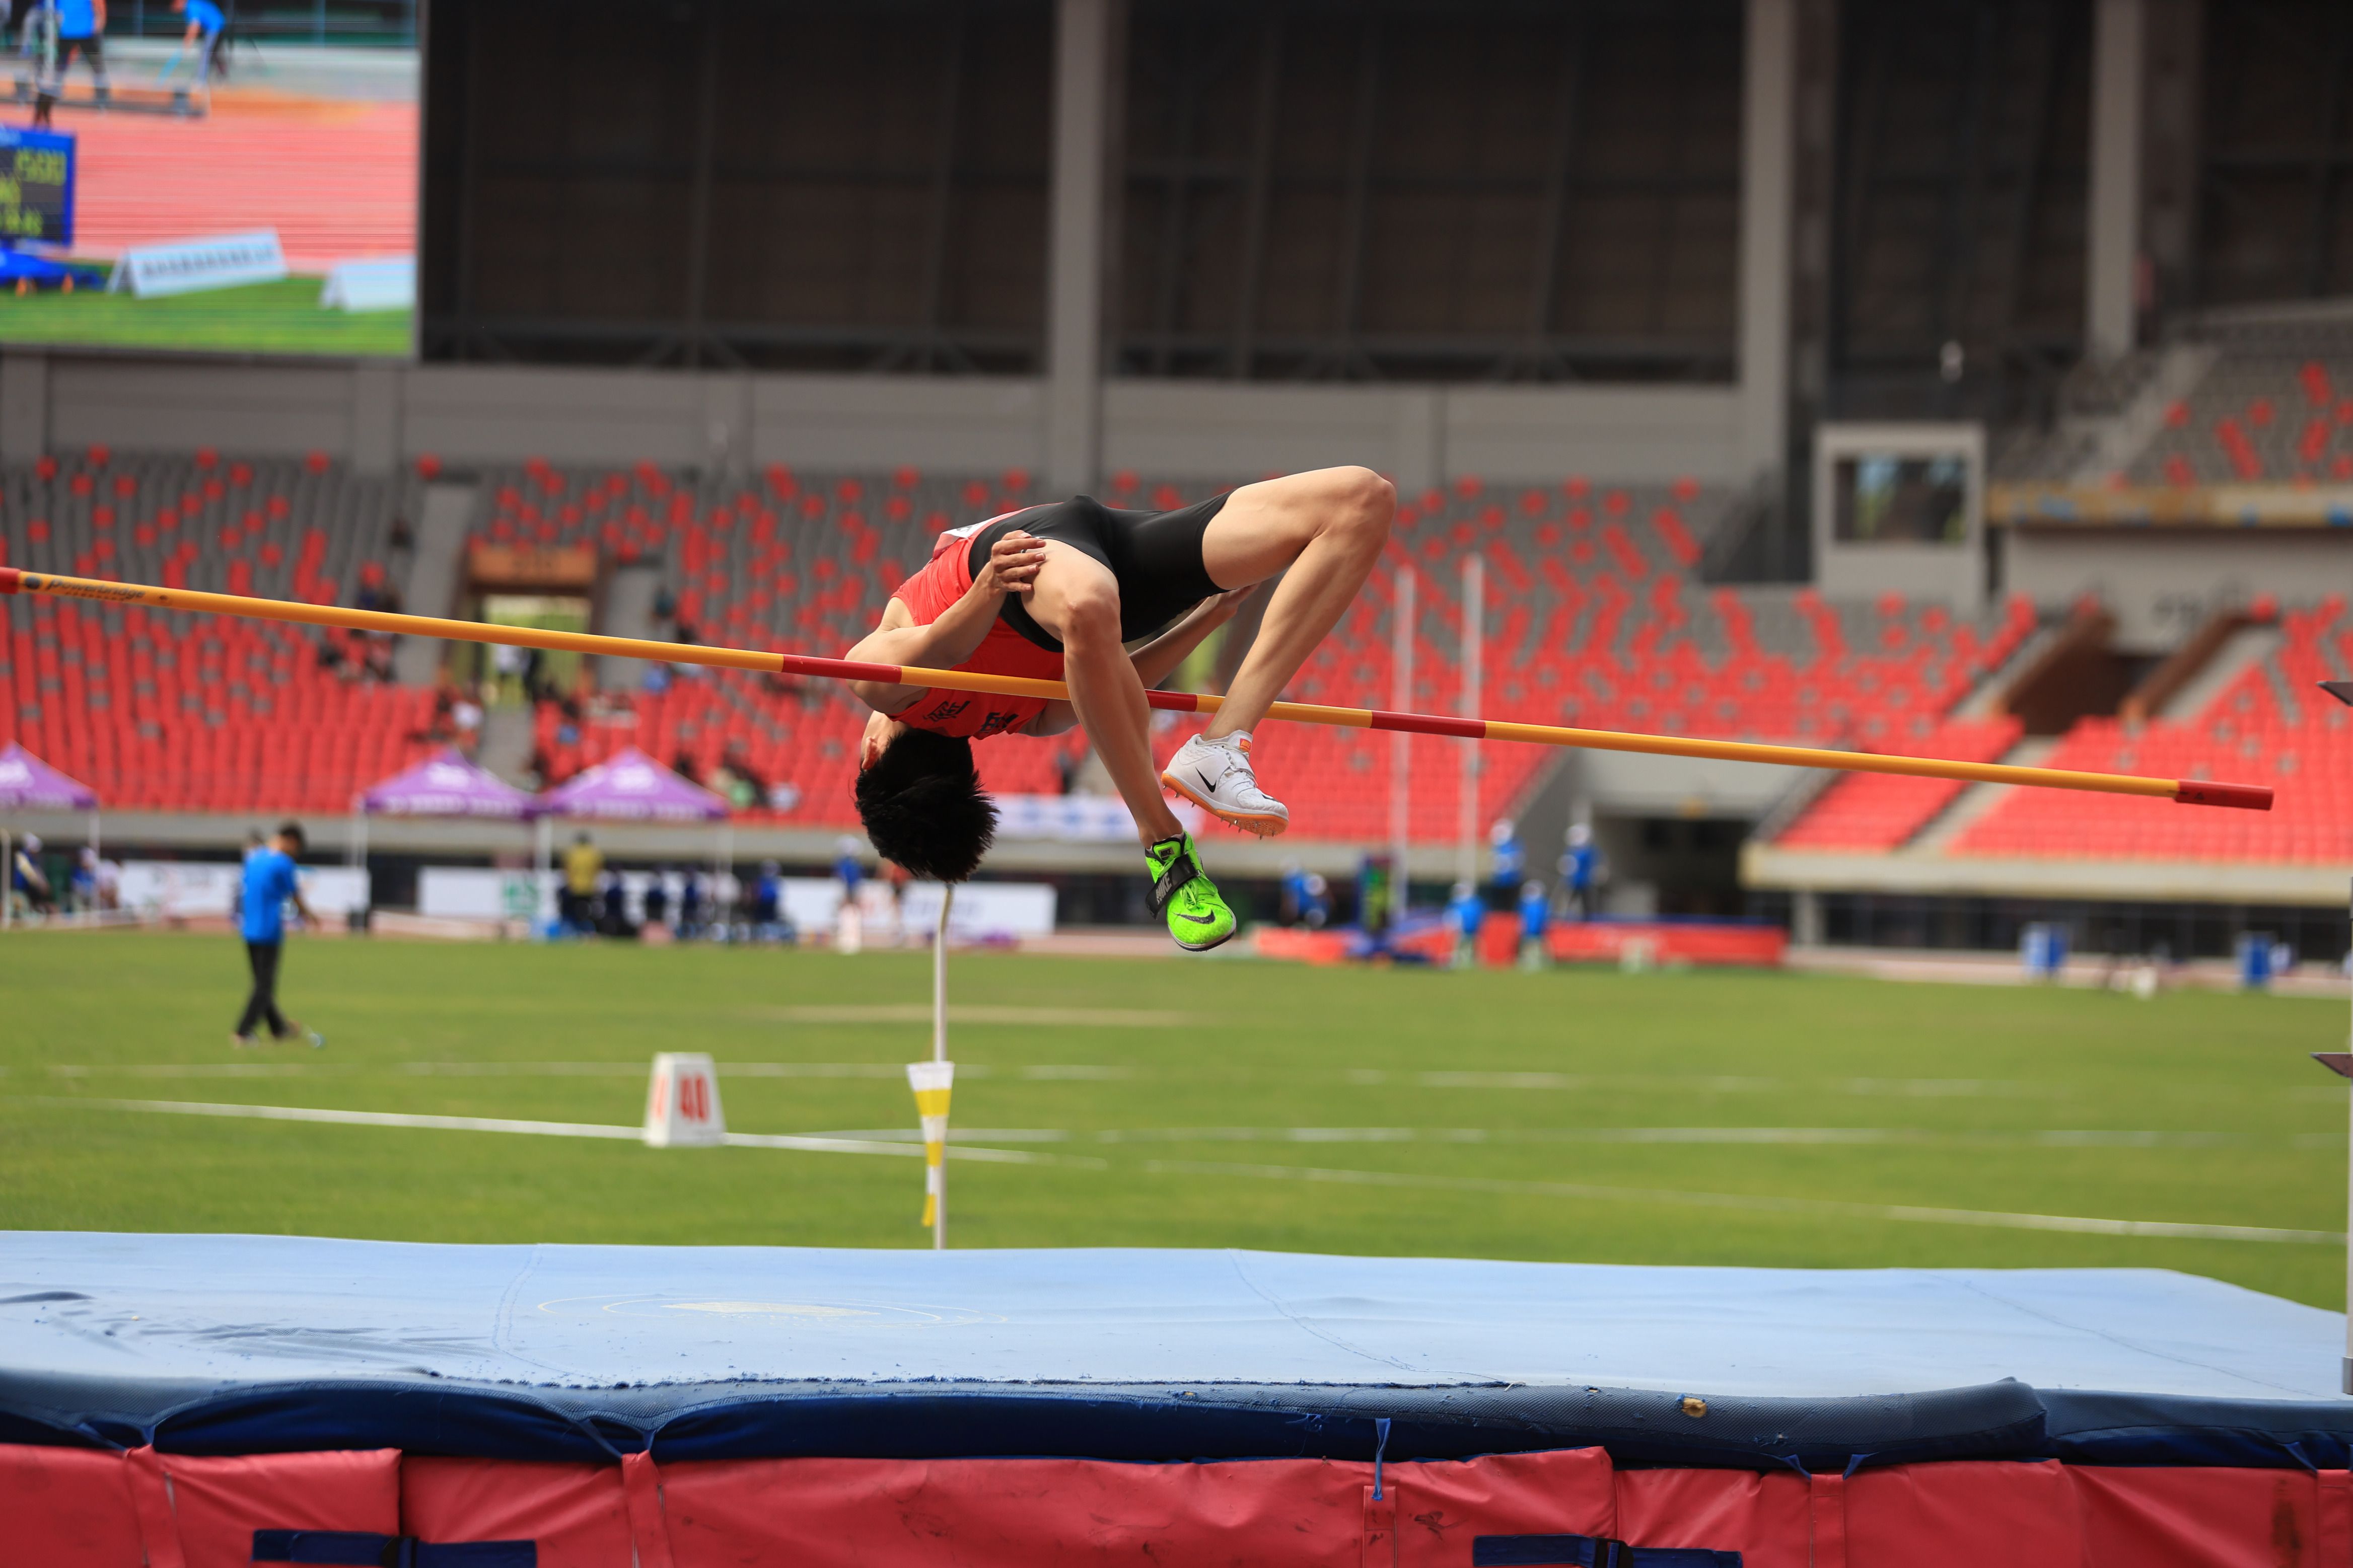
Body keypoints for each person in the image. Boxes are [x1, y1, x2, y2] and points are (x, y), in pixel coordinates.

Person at [844, 467, 1393, 953]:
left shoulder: (949, 701)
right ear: (871, 755)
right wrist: (1207, 617)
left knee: (1360, 500)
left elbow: (943, 649)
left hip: (1069, 557)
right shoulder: (910, 697)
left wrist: (987, 585)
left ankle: (1213, 755)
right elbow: (1114, 677)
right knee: (1357, 502)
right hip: (1062, 573)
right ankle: (1171, 828)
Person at [233, 824, 323, 1050]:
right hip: (268, 930)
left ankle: (279, 1029)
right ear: (291, 841)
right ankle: (243, 1032)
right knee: (264, 986)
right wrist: (311, 916)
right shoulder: (282, 863)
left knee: (262, 984)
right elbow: (295, 895)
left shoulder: (255, 858)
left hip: (249, 928)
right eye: (297, 849)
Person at [31, 0, 106, 128]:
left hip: (81, 33)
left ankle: (102, 103)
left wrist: (99, 22)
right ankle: (41, 117)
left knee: (97, 68)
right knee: (51, 77)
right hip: (57, 36)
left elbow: (99, 4)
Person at [562, 831, 602, 935]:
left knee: (573, 911)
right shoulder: (593, 853)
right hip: (589, 887)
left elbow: (567, 868)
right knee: (587, 912)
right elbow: (597, 869)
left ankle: (574, 931)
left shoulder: (572, 853)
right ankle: (588, 931)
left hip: (574, 887)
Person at [1559, 823, 1600, 921]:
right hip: (1573, 881)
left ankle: (1588, 920)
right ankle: (1566, 917)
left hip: (1585, 881)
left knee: (1586, 902)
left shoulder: (1588, 851)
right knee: (1570, 900)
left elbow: (1593, 864)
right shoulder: (1571, 851)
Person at [10, 831, 52, 915]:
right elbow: (31, 876)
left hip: (27, 890)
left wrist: (44, 884)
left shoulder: (31, 859)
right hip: (20, 891)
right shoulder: (23, 857)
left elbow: (37, 873)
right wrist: (42, 886)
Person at [1516, 878, 1551, 971]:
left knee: (1537, 949)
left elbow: (1544, 919)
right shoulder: (1524, 904)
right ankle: (1527, 963)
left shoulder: (1542, 905)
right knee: (1527, 949)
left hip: (1539, 933)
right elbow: (1522, 919)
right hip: (1527, 932)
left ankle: (1538, 963)